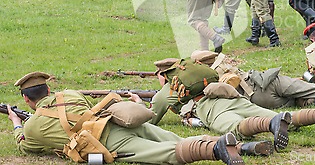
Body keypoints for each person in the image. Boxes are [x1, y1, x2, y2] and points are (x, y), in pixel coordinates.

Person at [6, 72, 245, 165]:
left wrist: (18, 124)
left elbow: (25, 145)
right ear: (48, 91)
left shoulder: (33, 125)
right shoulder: (69, 94)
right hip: (120, 120)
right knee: (171, 138)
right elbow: (90, 110)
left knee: (168, 152)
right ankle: (243, 146)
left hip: (108, 143)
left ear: (27, 100)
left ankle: (217, 152)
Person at [146, 61, 315, 152]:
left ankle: (272, 124)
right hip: (235, 99)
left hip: (211, 109)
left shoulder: (168, 90)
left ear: (163, 75)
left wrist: (140, 103)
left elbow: (150, 118)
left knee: (237, 127)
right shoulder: (194, 73)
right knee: (288, 118)